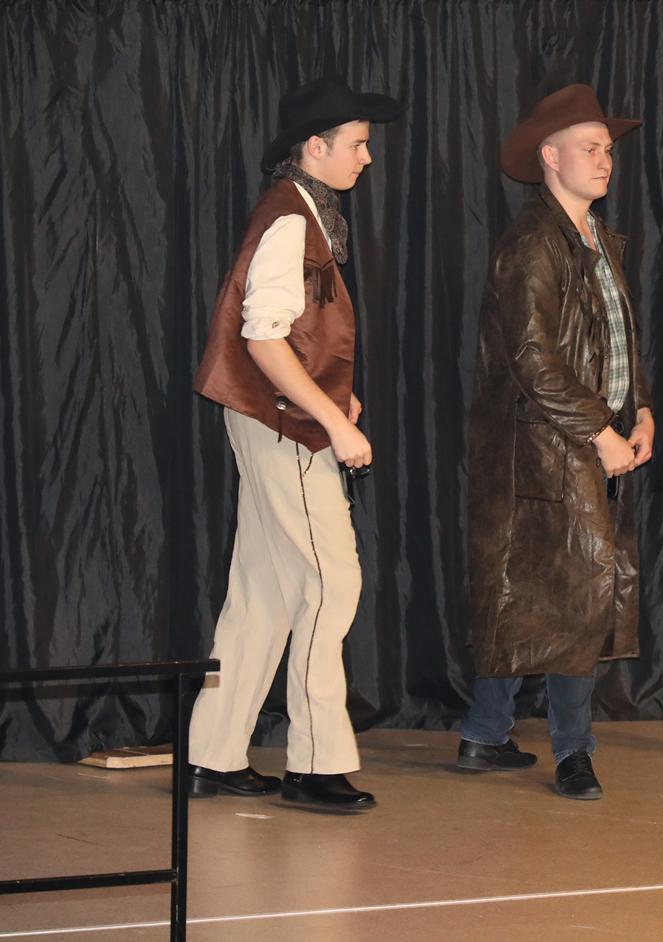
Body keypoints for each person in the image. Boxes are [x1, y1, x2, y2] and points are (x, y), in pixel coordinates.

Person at [188, 76, 401, 810]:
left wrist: (337, 397)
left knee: (262, 591)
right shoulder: (290, 218)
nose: (367, 158)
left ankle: (212, 754)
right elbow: (263, 337)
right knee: (330, 583)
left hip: (270, 418)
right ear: (315, 146)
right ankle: (314, 765)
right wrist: (334, 423)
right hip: (283, 426)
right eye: (358, 144)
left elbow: (292, 335)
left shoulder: (301, 211)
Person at [461, 84, 650, 800]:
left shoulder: (597, 239)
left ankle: (485, 732)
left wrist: (641, 410)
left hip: (581, 438)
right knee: (576, 592)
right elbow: (533, 358)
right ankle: (574, 753)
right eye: (589, 148)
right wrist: (601, 431)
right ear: (549, 156)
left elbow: (618, 339)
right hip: (547, 448)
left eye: (607, 150)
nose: (605, 161)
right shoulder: (534, 245)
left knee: (533, 594)